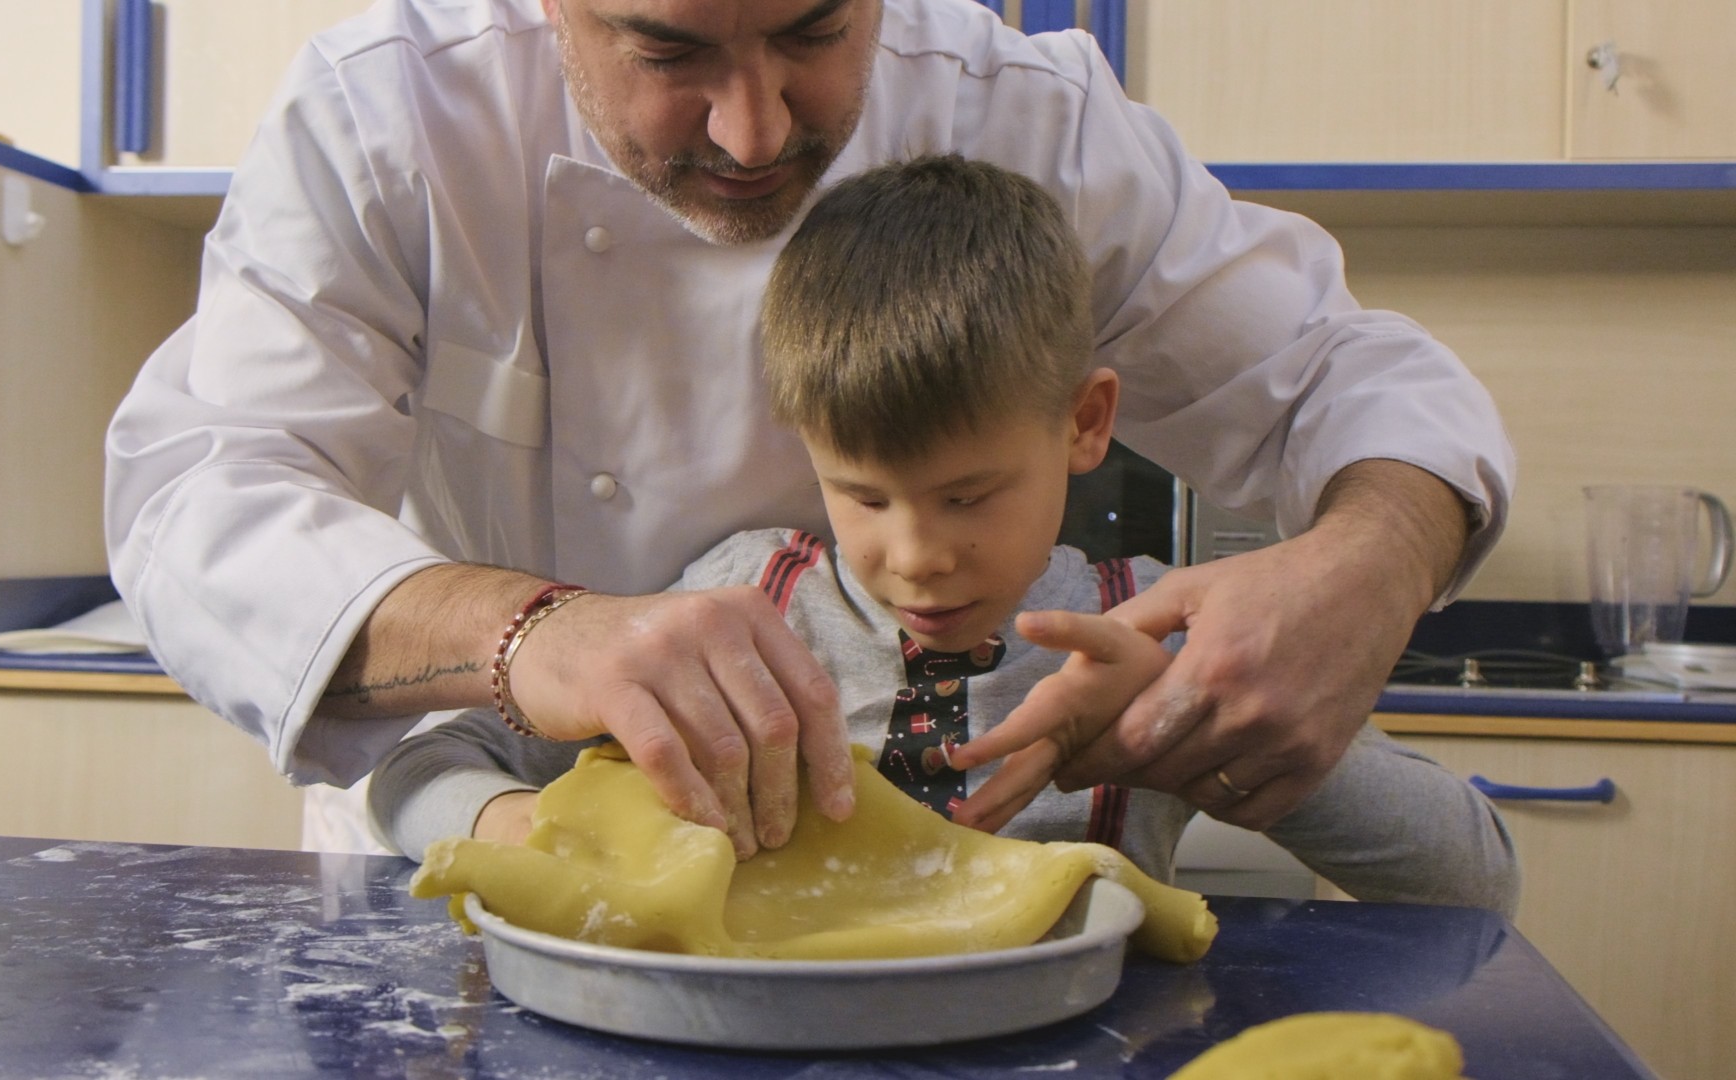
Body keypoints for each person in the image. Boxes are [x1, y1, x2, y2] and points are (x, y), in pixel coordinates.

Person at [104, 0, 1515, 856]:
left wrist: (1374, 562)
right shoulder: (387, 118)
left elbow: (1342, 368)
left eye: (814, 31)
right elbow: (197, 495)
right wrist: (535, 631)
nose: (750, 127)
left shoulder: (1025, 116)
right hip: (500, 854)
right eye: (668, 47)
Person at [367, 156, 1519, 916]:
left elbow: (1476, 883)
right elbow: (419, 768)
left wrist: (1198, 730)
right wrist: (511, 826)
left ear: (1085, 423)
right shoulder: (733, 606)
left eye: (969, 497)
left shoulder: (1152, 636)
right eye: (863, 497)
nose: (917, 554)